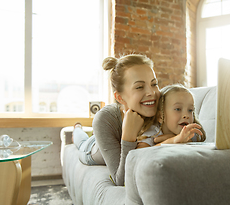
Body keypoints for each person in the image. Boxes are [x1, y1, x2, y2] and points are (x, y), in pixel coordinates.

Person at [72, 54, 160, 186]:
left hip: (107, 139)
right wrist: (128, 137)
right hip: (92, 150)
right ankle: (77, 129)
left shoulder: (163, 106)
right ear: (119, 97)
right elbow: (122, 180)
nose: (151, 92)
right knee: (81, 141)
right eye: (139, 87)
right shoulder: (105, 118)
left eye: (154, 84)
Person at [137, 84, 206, 148]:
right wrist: (172, 141)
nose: (186, 115)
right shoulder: (152, 133)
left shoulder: (192, 134)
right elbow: (139, 154)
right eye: (178, 109)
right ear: (160, 116)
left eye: (190, 110)